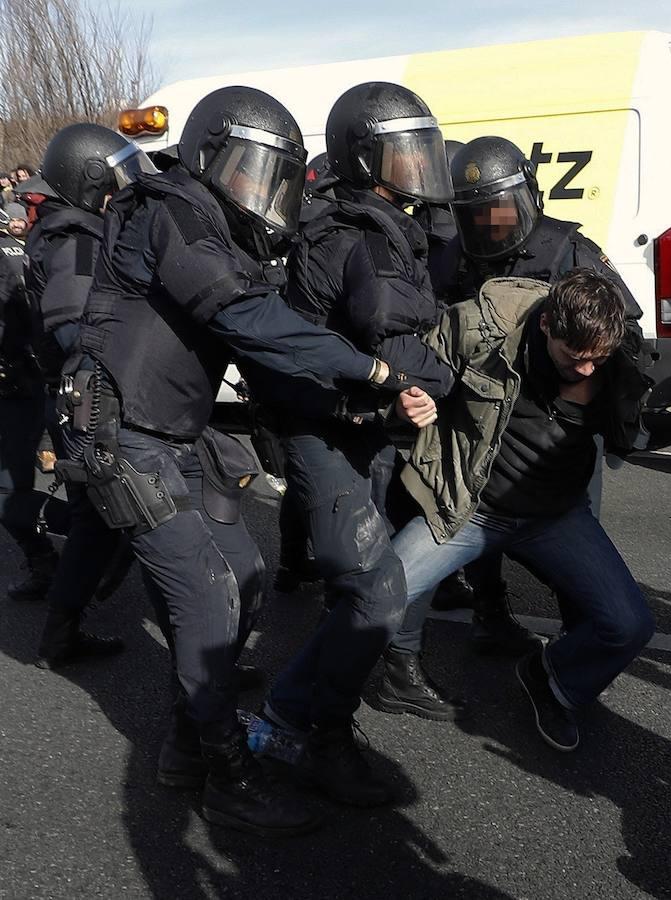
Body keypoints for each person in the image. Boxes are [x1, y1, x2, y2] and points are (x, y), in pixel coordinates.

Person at [69, 85, 408, 836]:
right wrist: (370, 371)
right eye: (251, 173)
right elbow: (245, 319)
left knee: (247, 581)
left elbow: (267, 354)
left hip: (173, 437)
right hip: (122, 435)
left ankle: (185, 747)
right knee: (206, 598)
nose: (264, 194)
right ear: (208, 157)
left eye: (274, 178)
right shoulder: (169, 210)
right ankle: (227, 773)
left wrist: (350, 406)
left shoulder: (220, 232)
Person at [379, 136, 647, 720]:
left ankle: (571, 668)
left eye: (499, 212)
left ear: (525, 198)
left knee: (582, 566)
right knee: (435, 533)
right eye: (475, 214)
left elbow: (621, 327)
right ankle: (473, 623)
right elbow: (427, 329)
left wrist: (581, 389)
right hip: (470, 433)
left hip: (554, 442)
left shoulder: (566, 248)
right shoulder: (451, 254)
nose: (490, 228)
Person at [253, 81, 458, 806]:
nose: (419, 167)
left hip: (359, 423)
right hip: (327, 429)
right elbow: (395, 334)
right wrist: (448, 377)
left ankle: (302, 705)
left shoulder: (374, 219)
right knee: (372, 589)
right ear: (363, 157)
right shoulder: (358, 233)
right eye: (404, 153)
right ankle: (313, 731)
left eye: (421, 151)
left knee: (369, 584)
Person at [390, 269, 655, 750]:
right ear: (549, 324)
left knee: (630, 625)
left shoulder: (613, 361)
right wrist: (403, 401)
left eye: (598, 360)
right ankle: (307, 717)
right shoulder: (479, 329)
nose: (587, 370)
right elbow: (411, 370)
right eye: (575, 359)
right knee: (372, 596)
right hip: (470, 508)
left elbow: (632, 428)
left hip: (554, 516)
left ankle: (552, 678)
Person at [16, 124, 155, 651]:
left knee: (96, 519)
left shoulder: (80, 232)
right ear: (90, 180)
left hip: (83, 401)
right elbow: (78, 331)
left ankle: (65, 624)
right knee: (110, 515)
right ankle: (65, 626)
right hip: (91, 405)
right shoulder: (75, 243)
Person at [1, 203, 68, 594]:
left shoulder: (7, 255)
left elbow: (19, 322)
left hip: (17, 388)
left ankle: (105, 535)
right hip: (22, 384)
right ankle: (44, 561)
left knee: (9, 493)